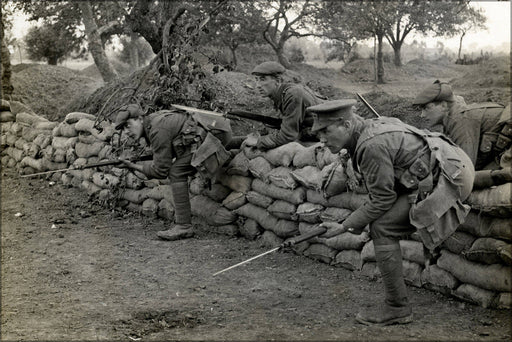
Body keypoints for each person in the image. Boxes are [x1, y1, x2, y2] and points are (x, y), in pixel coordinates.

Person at [307, 99, 475, 326]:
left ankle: (398, 307)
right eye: (319, 134)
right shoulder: (369, 128)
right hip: (447, 162)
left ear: (346, 125)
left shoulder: (371, 146)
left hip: (451, 175)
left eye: (326, 131)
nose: (322, 140)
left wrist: (345, 225)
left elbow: (382, 199)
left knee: (382, 227)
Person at [114, 103, 241, 241]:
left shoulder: (157, 130)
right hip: (216, 129)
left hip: (214, 133)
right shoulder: (152, 122)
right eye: (123, 129)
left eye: (128, 125)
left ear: (139, 118)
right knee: (186, 160)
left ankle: (184, 226)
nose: (126, 131)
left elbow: (161, 171)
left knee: (176, 171)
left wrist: (132, 166)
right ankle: (244, 141)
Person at [413, 80, 511, 170]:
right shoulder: (454, 117)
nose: (422, 115)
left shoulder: (460, 119)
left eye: (426, 108)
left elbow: (465, 168)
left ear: (443, 105)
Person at [244, 61, 326, 150]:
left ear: (278, 81)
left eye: (263, 79)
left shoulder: (292, 94)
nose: (258, 85)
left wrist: (259, 142)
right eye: (257, 79)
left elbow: (287, 136)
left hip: (326, 131)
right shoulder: (281, 93)